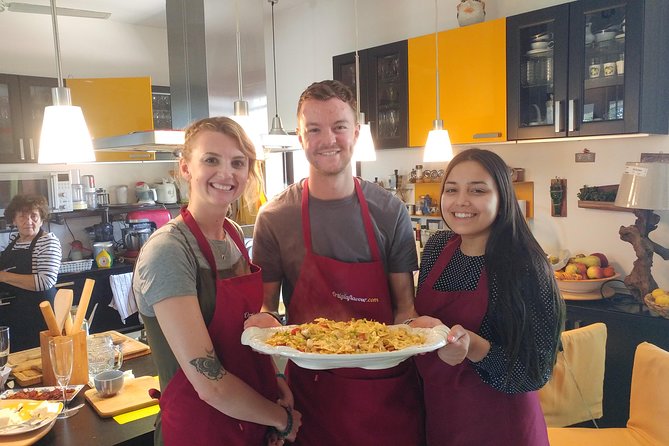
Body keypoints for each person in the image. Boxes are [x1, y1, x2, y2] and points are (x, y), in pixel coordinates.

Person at [248, 80, 424, 445]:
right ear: (300, 137)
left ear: (356, 133)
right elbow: (266, 313)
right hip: (313, 396)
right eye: (314, 129)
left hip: (386, 392)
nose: (328, 139)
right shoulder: (275, 217)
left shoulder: (390, 211)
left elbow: (405, 311)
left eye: (339, 127)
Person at [133, 117, 301, 446]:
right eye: (211, 160)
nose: (226, 174)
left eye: (238, 163)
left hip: (249, 421)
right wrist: (281, 420)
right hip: (199, 430)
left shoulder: (234, 236)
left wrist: (275, 379)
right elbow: (209, 384)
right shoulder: (169, 250)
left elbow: (244, 334)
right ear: (185, 168)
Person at [411, 148, 565, 445]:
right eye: (451, 190)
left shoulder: (525, 266)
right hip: (442, 419)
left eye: (477, 190)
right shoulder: (437, 248)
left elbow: (535, 372)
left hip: (503, 427)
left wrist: (473, 346)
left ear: (502, 197)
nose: (461, 201)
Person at [0, 194, 61, 351]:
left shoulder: (48, 241)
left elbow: (45, 281)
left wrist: (4, 276)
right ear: (14, 220)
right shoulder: (15, 239)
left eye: (34, 216)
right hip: (16, 310)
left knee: (39, 358)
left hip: (39, 312)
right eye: (22, 217)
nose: (28, 222)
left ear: (42, 218)